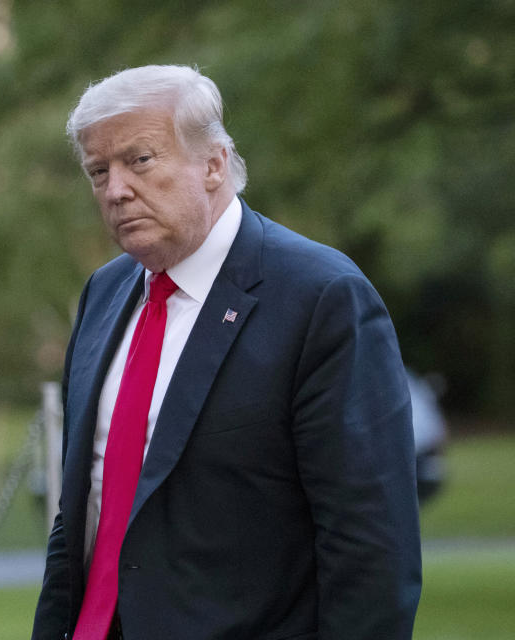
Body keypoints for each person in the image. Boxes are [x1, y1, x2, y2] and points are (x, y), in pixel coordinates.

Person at [31, 65, 421, 640]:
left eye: (140, 160)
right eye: (98, 170)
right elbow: (82, 508)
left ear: (214, 164)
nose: (115, 190)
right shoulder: (103, 293)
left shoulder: (321, 297)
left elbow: (369, 544)